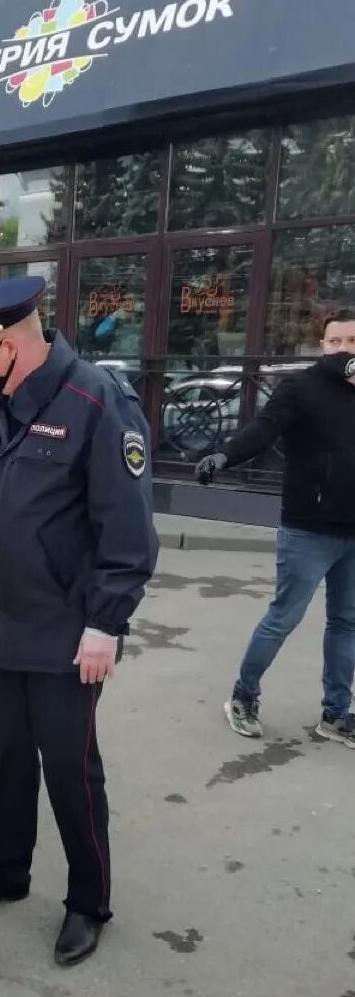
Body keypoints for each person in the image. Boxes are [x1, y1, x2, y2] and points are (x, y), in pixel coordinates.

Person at [0, 278, 158, 966]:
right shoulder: (0, 403)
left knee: (69, 768)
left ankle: (88, 901)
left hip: (67, 633)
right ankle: (6, 871)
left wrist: (105, 625)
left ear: (9, 343)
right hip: (3, 624)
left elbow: (127, 532)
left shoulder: (98, 401)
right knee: (7, 762)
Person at [196, 311, 355, 747]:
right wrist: (225, 456)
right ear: (322, 345)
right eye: (335, 341)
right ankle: (243, 697)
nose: (344, 349)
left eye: (352, 341)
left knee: (346, 623)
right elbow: (264, 429)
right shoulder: (300, 388)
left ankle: (336, 713)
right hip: (309, 529)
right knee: (283, 618)